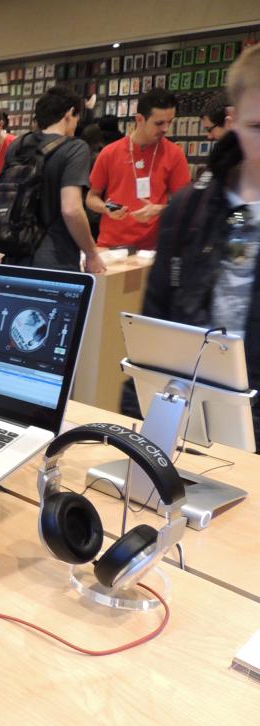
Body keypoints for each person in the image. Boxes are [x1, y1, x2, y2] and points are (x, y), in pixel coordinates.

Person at [136, 45, 260, 441]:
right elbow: (155, 333)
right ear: (235, 120)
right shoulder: (188, 209)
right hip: (188, 425)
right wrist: (142, 427)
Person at [2, 86, 106, 273]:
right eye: (76, 118)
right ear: (69, 114)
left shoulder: (18, 144)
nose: (75, 125)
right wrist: (91, 254)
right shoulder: (74, 148)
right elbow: (71, 209)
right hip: (54, 259)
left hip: (14, 253)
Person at [87, 89, 191, 252]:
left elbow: (186, 204)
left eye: (169, 122)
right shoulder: (110, 152)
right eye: (159, 123)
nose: (166, 129)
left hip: (153, 249)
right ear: (140, 119)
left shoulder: (174, 153)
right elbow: (91, 198)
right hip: (110, 246)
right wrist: (105, 208)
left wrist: (159, 209)